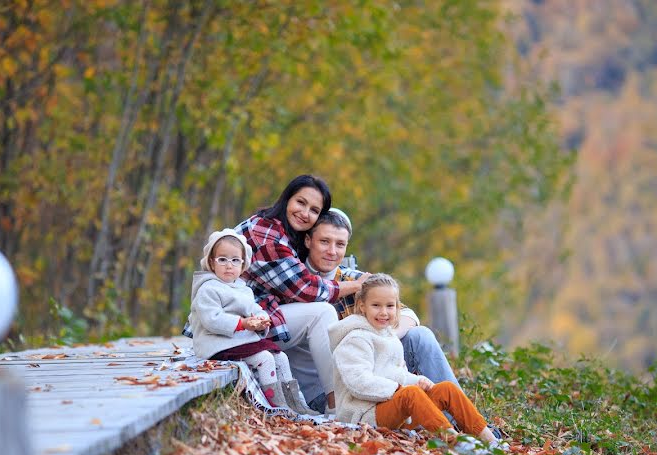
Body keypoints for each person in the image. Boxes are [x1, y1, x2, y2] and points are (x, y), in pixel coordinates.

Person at [298, 208, 462, 412]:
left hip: (375, 374)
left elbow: (408, 315)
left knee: (420, 336)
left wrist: (385, 337)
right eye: (324, 241)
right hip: (328, 391)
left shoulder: (356, 279)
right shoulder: (293, 280)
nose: (332, 251)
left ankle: (461, 423)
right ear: (308, 241)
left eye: (340, 244)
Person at [234, 174, 365, 415]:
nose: (305, 213)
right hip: (233, 323)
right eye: (300, 203)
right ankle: (337, 406)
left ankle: (339, 401)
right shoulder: (264, 231)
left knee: (320, 314)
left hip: (252, 317)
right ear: (286, 199)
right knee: (321, 312)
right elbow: (305, 289)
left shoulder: (283, 233)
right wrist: (356, 286)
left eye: (314, 210)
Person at [329, 273, 501, 446]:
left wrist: (416, 380)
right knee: (411, 394)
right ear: (362, 306)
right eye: (376, 305)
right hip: (364, 413)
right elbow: (358, 382)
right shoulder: (355, 339)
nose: (383, 312)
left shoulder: (388, 335)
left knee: (446, 389)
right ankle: (457, 444)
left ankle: (490, 440)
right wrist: (398, 389)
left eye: (390, 306)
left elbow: (394, 373)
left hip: (390, 406)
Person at [188, 229, 310, 415]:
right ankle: (276, 405)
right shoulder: (208, 288)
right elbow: (212, 320)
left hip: (239, 340)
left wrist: (262, 318)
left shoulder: (241, 288)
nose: (229, 265)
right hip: (217, 344)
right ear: (212, 262)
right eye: (222, 259)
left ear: (243, 263)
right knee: (265, 359)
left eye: (235, 260)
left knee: (281, 357)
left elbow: (254, 308)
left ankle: (295, 403)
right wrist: (243, 324)